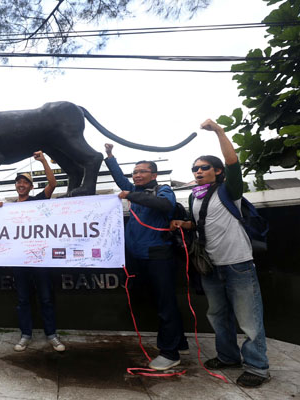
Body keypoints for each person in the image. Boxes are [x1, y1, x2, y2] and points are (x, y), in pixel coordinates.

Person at [170, 119, 270, 387]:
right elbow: (202, 224)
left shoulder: (229, 189)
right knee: (217, 315)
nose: (198, 171)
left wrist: (219, 131)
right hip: (210, 266)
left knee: (249, 319)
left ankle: (258, 368)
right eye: (195, 168)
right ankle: (228, 357)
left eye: (204, 167)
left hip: (237, 264)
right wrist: (184, 224)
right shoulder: (195, 196)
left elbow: (233, 161)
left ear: (217, 171)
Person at [104, 143, 188, 371]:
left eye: (142, 172)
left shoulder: (163, 191)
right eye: (135, 173)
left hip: (159, 256)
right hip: (138, 258)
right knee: (158, 302)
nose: (137, 175)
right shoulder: (135, 191)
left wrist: (131, 194)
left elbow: (164, 205)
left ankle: (170, 353)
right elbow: (121, 180)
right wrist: (110, 157)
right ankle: (179, 342)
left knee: (165, 304)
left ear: (154, 175)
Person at [0, 151, 64, 352]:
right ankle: (25, 334)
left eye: (25, 182)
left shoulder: (38, 200)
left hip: (40, 258)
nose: (21, 185)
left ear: (31, 186)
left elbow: (53, 184)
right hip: (19, 260)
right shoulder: (8, 207)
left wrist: (43, 160)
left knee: (45, 298)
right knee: (23, 299)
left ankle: (51, 334)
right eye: (18, 182)